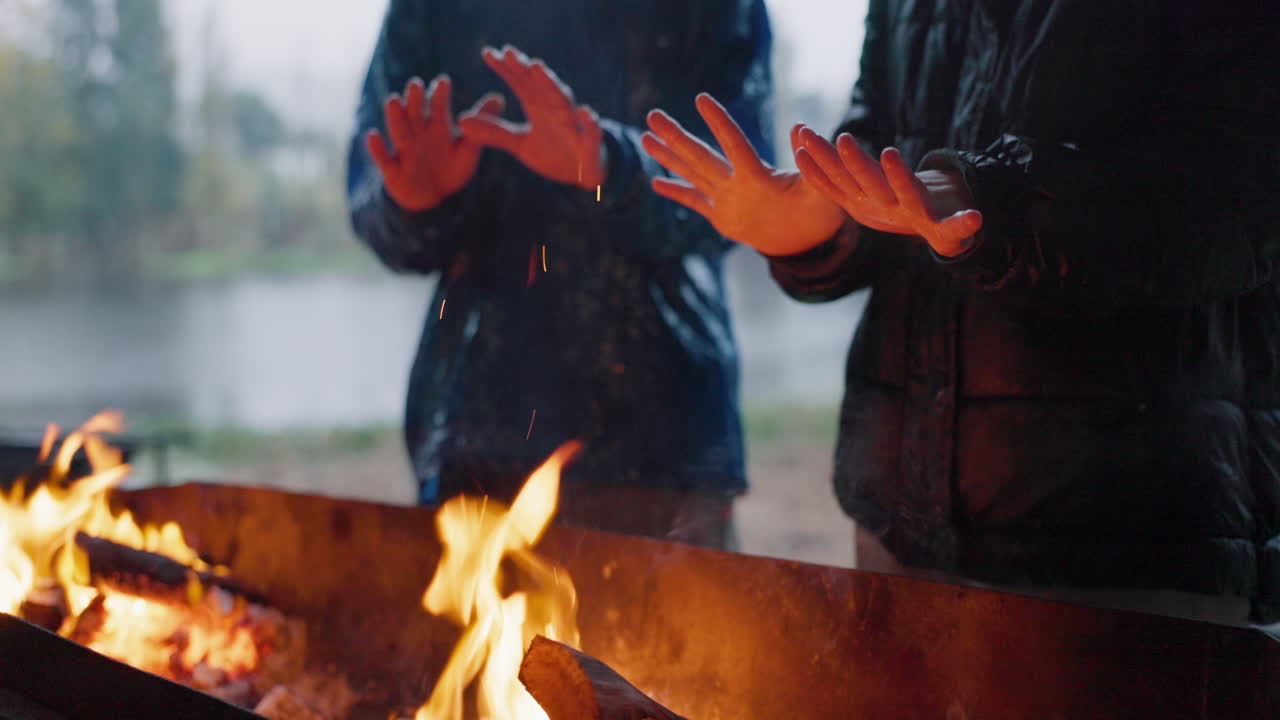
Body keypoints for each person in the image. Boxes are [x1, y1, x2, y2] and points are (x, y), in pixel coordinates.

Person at [642, 1, 1280, 624]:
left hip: (1131, 549)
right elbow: (880, 158)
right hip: (899, 523)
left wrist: (987, 200)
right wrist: (814, 226)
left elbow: (1240, 192)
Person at [346, 0, 773, 550]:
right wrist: (415, 204)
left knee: (688, 634)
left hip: (666, 440)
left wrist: (609, 167)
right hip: (475, 432)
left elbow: (743, 191)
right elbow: (375, 199)